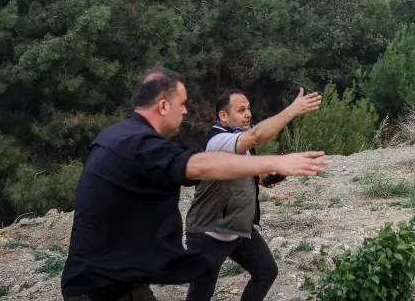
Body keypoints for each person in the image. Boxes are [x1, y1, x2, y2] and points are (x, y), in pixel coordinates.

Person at [60, 67, 328, 301]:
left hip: (116, 275)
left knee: (263, 271)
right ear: (164, 106)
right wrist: (277, 162)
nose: (186, 110)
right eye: (183, 103)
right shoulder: (139, 143)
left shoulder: (121, 136)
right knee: (201, 290)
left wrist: (265, 175)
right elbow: (202, 165)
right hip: (98, 285)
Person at [183, 87, 322, 301]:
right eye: (240, 110)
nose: (248, 113)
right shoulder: (218, 142)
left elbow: (240, 168)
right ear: (223, 115)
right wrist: (293, 110)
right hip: (208, 234)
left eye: (248, 108)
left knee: (266, 271)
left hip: (238, 230)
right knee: (200, 295)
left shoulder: (240, 139)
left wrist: (262, 177)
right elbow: (257, 136)